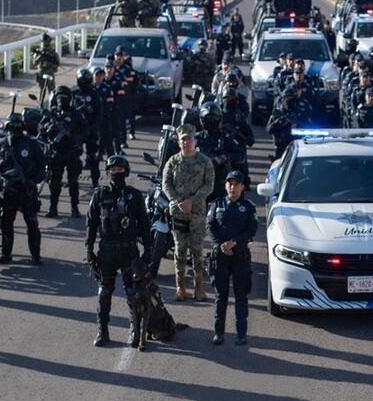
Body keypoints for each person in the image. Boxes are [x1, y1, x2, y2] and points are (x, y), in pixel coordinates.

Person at [85, 155, 152, 347]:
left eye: (120, 170)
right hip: (106, 250)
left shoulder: (134, 195)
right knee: (104, 292)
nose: (116, 173)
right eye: (112, 170)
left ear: (126, 171)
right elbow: (91, 224)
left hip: (129, 250)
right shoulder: (99, 195)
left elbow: (145, 224)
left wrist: (148, 250)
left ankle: (135, 329)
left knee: (133, 292)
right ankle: (102, 330)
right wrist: (89, 250)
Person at [162, 124, 215, 302]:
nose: (186, 142)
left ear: (195, 141)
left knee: (197, 250)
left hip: (197, 213)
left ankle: (199, 288)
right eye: (183, 140)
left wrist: (192, 201)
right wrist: (178, 201)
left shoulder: (205, 162)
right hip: (178, 213)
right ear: (179, 143)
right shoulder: (173, 162)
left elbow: (209, 185)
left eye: (189, 139)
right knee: (179, 250)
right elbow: (166, 184)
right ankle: (180, 287)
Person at [207, 170, 259, 346]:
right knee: (220, 296)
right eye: (230, 184)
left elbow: (251, 230)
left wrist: (234, 243)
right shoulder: (217, 204)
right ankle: (218, 333)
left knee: (241, 296)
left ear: (242, 187)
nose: (233, 187)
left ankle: (241, 334)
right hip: (220, 256)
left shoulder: (249, 207)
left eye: (236, 184)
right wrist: (222, 244)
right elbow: (210, 225)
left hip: (240, 256)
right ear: (225, 186)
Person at [0, 113, 46, 265]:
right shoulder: (2, 143)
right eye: (13, 126)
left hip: (26, 191)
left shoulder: (32, 144)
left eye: (19, 125)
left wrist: (34, 182)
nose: (16, 128)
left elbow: (42, 166)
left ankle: (35, 256)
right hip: (8, 191)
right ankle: (6, 254)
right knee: (6, 224)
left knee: (32, 223)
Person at [42, 85, 88, 218]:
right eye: (59, 97)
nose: (62, 100)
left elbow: (85, 131)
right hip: (56, 152)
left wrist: (74, 138)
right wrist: (47, 128)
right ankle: (53, 207)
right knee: (54, 182)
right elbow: (41, 127)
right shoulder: (52, 112)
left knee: (73, 182)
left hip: (71, 152)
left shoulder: (76, 113)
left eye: (64, 97)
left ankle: (75, 208)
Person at [74, 68, 103, 189]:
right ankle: (73, 179)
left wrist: (94, 127)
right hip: (77, 131)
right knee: (74, 156)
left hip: (91, 130)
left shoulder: (94, 94)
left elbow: (99, 113)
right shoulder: (75, 93)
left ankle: (95, 182)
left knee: (93, 157)